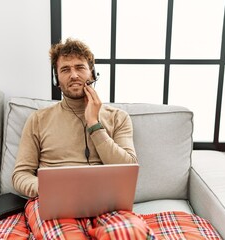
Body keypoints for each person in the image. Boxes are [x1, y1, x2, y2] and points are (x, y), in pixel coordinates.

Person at [12, 38, 155, 239]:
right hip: (55, 203)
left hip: (106, 203)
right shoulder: (38, 119)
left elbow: (128, 167)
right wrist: (51, 190)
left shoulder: (118, 117)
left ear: (92, 73)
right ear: (57, 78)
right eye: (65, 69)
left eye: (80, 67)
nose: (74, 75)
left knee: (128, 233)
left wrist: (94, 124)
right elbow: (20, 175)